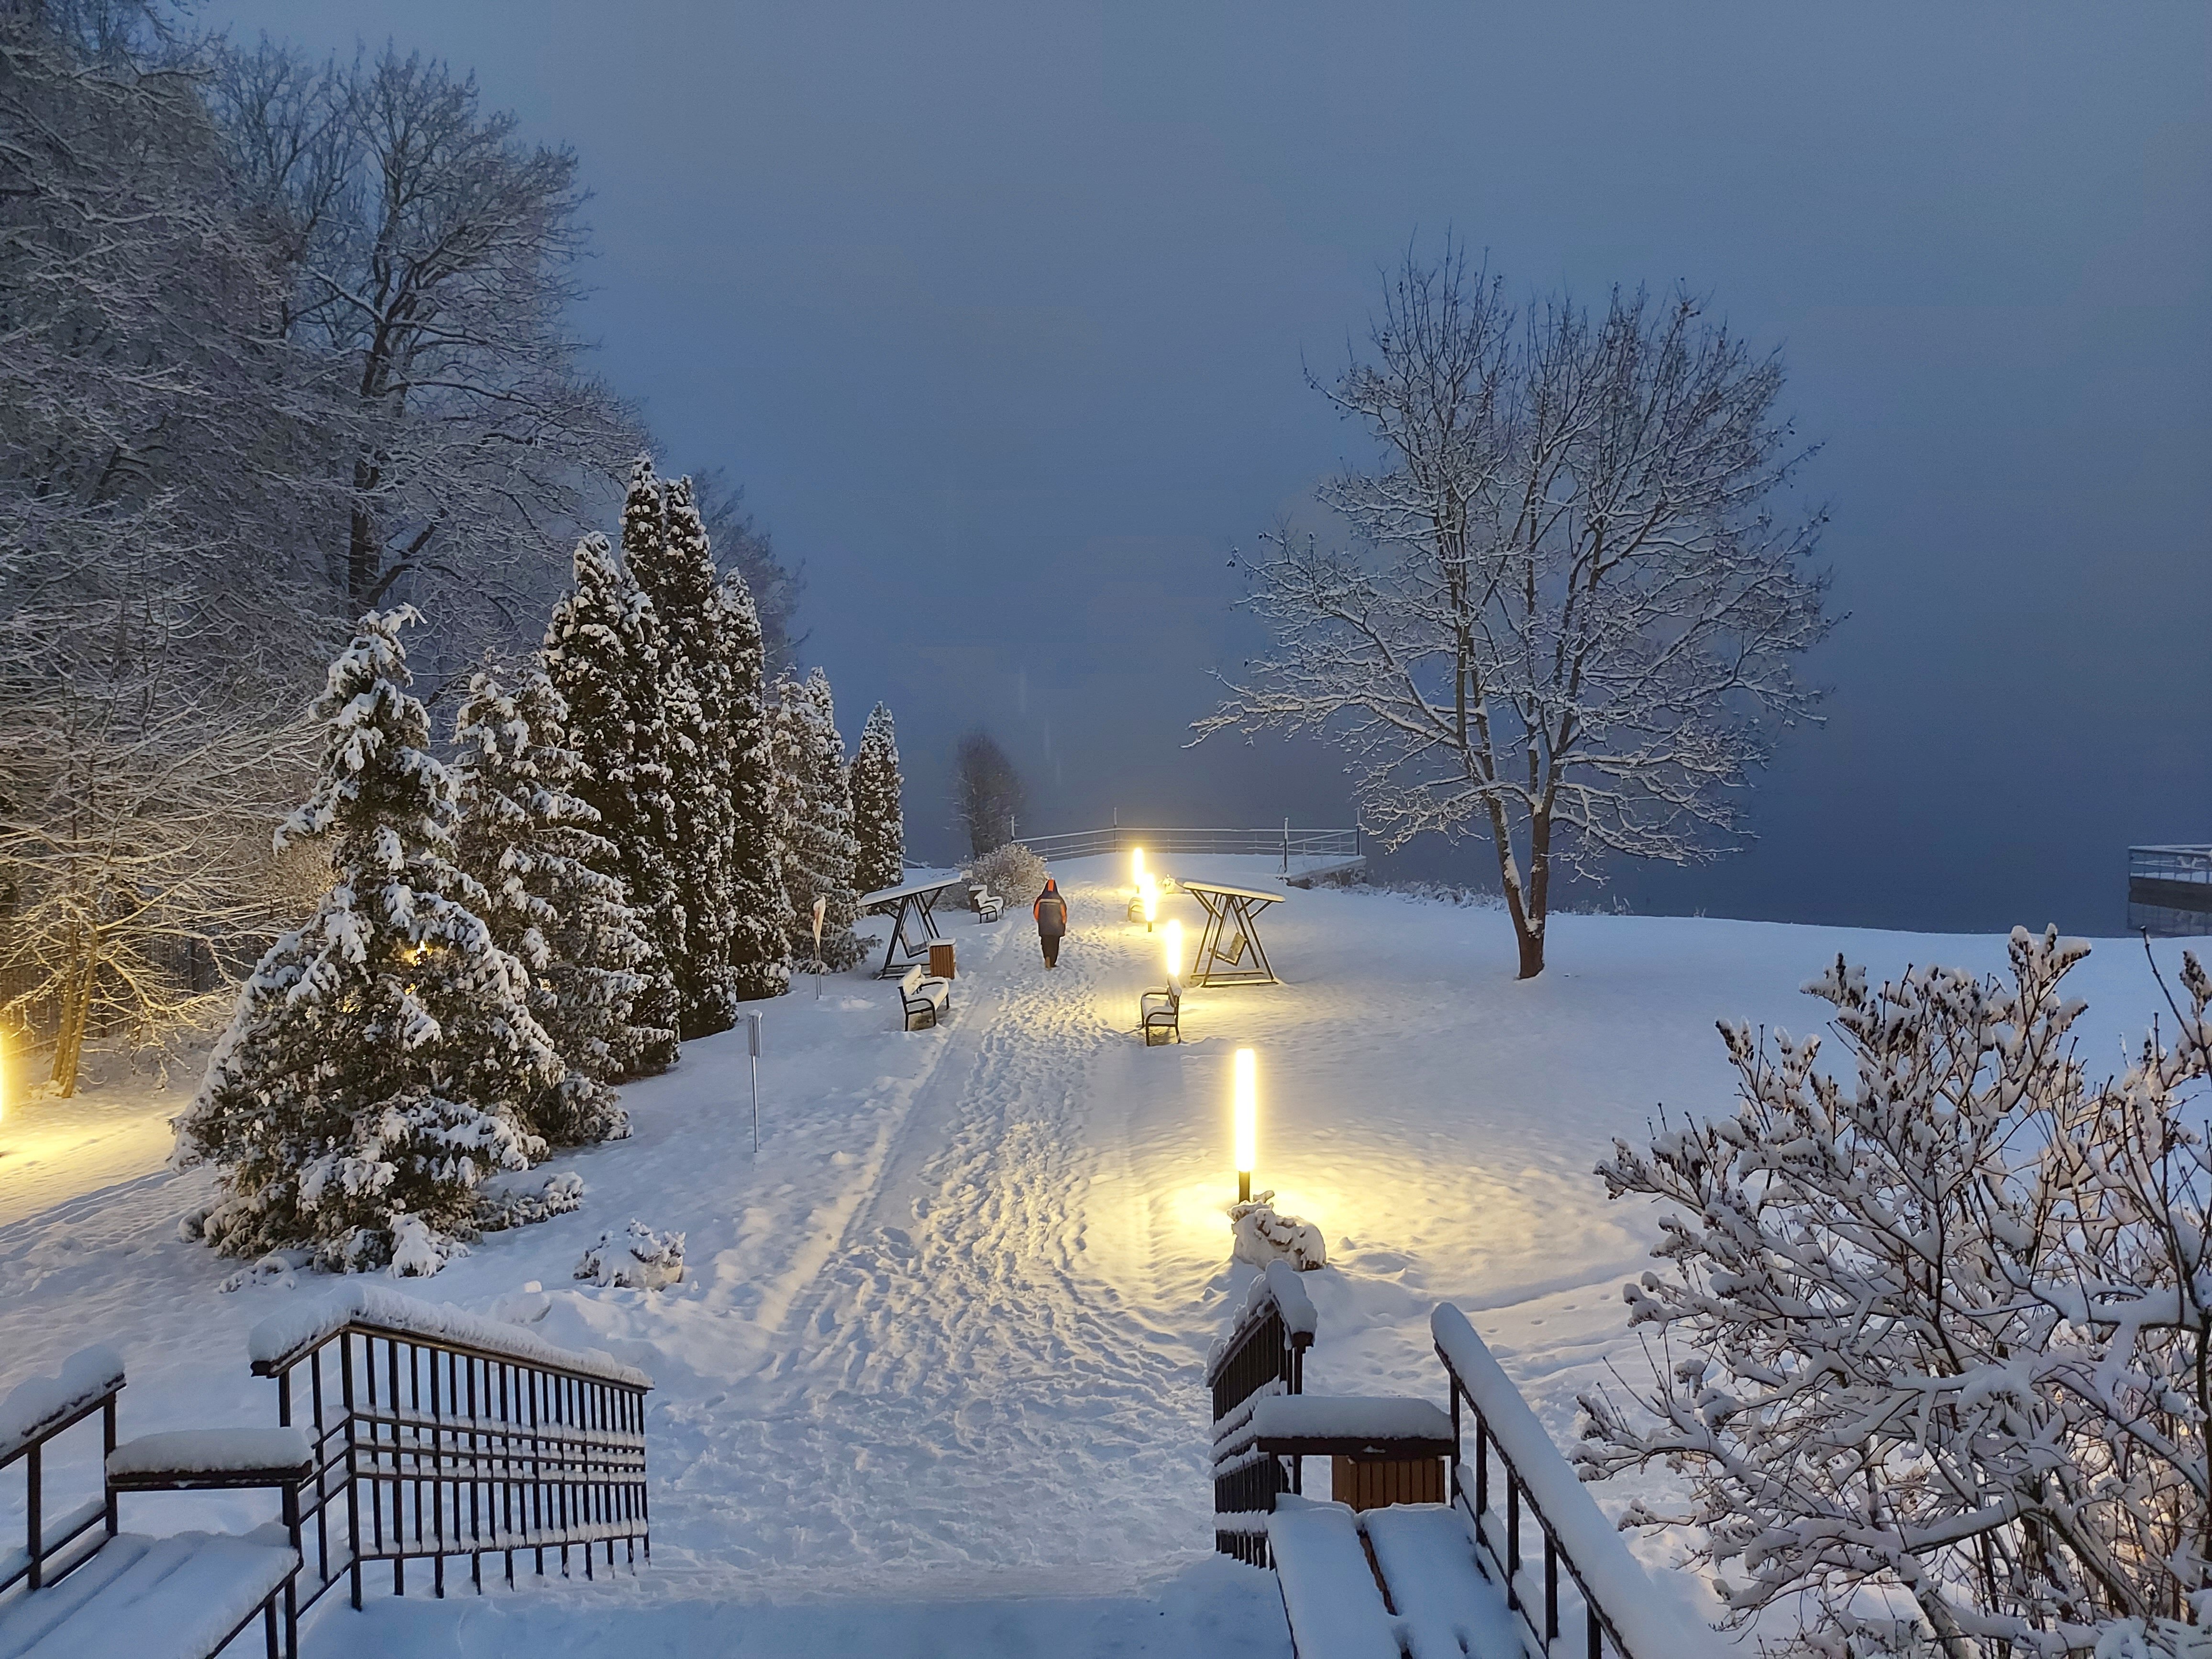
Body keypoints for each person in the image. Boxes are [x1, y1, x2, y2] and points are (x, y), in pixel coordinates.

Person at [1033, 876, 1068, 969]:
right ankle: (1052, 962)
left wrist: (1040, 921)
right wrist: (1063, 923)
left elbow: (1036, 913)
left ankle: (1047, 957)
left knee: (1045, 942)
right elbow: (1063, 913)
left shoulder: (1041, 899)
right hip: (1056, 927)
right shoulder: (1059, 899)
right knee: (1054, 944)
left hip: (1044, 927)